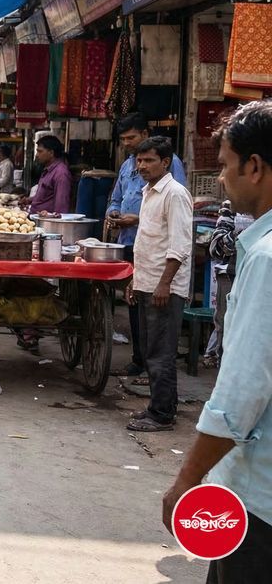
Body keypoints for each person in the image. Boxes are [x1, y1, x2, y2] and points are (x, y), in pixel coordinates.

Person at [162, 100, 272, 580]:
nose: (222, 180)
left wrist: (187, 478)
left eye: (226, 166)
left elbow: (241, 391)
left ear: (255, 166)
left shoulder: (267, 259)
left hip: (259, 504)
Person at [105, 114, 188, 377]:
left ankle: (160, 401)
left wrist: (136, 219)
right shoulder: (129, 168)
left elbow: (176, 227)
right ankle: (139, 361)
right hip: (135, 248)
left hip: (161, 259)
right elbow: (116, 197)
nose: (142, 164)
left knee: (160, 335)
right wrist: (115, 214)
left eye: (132, 138)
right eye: (123, 140)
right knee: (137, 311)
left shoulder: (171, 175)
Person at [124, 136, 192, 433]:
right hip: (147, 280)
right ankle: (159, 406)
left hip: (164, 287)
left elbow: (179, 245)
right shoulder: (149, 192)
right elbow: (147, 240)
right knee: (150, 348)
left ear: (166, 162)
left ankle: (162, 414)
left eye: (149, 160)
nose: (142, 166)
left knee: (161, 352)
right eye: (139, 160)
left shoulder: (174, 194)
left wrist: (165, 283)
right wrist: (135, 278)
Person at [204, 199, 254, 368]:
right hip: (231, 277)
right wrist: (242, 233)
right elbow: (215, 248)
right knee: (227, 335)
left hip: (261, 278)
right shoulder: (232, 205)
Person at [27, 135, 74, 215]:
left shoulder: (61, 173)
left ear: (51, 153)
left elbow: (61, 207)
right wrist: (30, 200)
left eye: (40, 151)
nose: (37, 155)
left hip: (47, 223)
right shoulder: (47, 169)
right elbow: (46, 197)